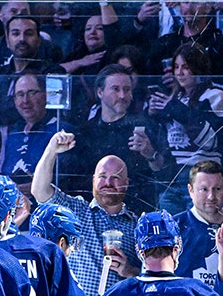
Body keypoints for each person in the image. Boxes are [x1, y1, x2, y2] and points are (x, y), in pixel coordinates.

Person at [32, 131, 141, 295]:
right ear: (93, 180)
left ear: (126, 184)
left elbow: (154, 276)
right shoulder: (75, 211)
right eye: (102, 176)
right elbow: (39, 191)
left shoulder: (137, 226)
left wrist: (131, 272)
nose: (108, 183)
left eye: (115, 178)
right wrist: (51, 150)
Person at [66, 64, 167, 207]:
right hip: (92, 213)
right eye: (115, 89)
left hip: (135, 211)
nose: (122, 96)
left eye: (127, 90)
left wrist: (150, 153)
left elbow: (163, 174)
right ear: (100, 92)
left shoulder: (146, 127)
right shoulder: (84, 132)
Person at [150, 43, 223, 214]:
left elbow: (211, 140)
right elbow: (166, 145)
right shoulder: (175, 98)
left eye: (186, 67)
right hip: (172, 178)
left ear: (199, 68)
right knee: (169, 234)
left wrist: (174, 109)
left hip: (203, 175)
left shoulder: (214, 95)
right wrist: (155, 114)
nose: (179, 73)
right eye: (176, 67)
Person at [173, 161, 223, 288]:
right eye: (204, 189)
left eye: (217, 189)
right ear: (190, 190)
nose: (211, 196)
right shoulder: (173, 229)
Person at [149, 0, 223, 77]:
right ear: (180, 5)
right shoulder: (166, 43)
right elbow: (151, 81)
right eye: (186, 1)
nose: (189, 7)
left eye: (195, 2)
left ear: (208, 7)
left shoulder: (221, 46)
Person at [0, 72, 68, 194]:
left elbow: (66, 179)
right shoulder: (13, 134)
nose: (25, 100)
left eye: (32, 93)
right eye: (20, 94)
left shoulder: (61, 131)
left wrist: (38, 187)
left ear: (46, 95)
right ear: (14, 100)